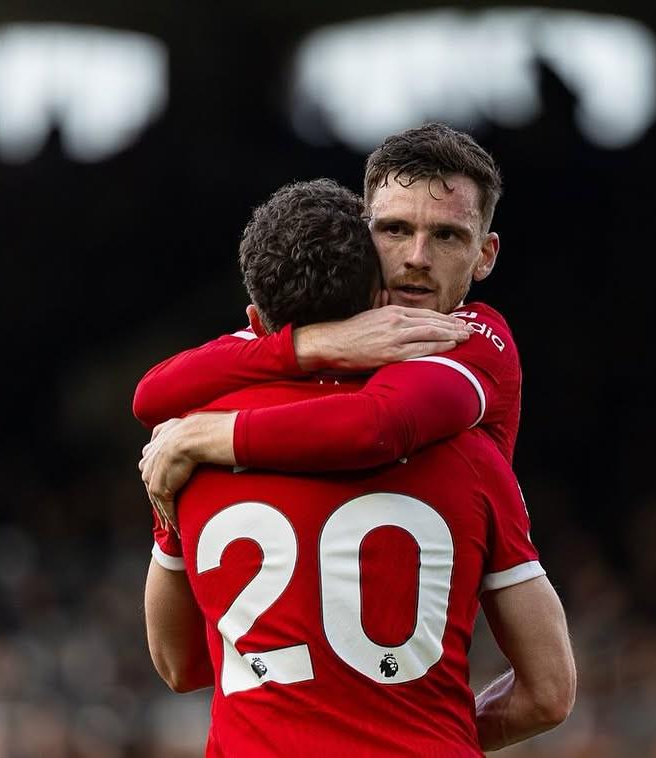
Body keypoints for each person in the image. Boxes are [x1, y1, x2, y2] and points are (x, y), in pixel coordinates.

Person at [142, 178, 575, 755]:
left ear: (254, 321)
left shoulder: (187, 453)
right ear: (379, 302)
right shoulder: (469, 454)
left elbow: (179, 664)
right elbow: (548, 694)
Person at [133, 124, 522, 509]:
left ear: (484, 256)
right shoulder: (316, 325)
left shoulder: (469, 337)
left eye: (446, 236)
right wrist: (315, 344)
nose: (417, 257)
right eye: (396, 230)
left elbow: (376, 427)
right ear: (365, 233)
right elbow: (151, 398)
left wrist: (199, 436)